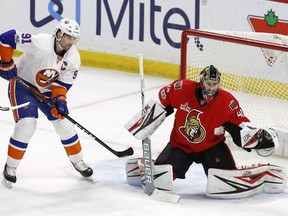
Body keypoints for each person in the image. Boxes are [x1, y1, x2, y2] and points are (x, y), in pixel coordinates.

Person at [125, 65, 281, 197]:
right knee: (161, 178)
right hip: (181, 146)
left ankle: (263, 173)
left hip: (212, 148)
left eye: (214, 84)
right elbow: (162, 103)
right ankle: (143, 166)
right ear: (201, 81)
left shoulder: (227, 102)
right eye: (208, 83)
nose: (211, 88)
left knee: (225, 182)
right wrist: (146, 120)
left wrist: (259, 140)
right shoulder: (182, 89)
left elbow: (240, 131)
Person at [0, 18, 93, 187]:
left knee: (64, 124)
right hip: (23, 86)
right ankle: (11, 167)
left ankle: (78, 161)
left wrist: (60, 102)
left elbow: (61, 85)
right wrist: (7, 63)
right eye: (68, 37)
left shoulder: (73, 58)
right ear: (58, 34)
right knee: (27, 125)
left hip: (46, 91)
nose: (71, 42)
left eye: (74, 39)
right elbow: (7, 37)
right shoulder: (41, 42)